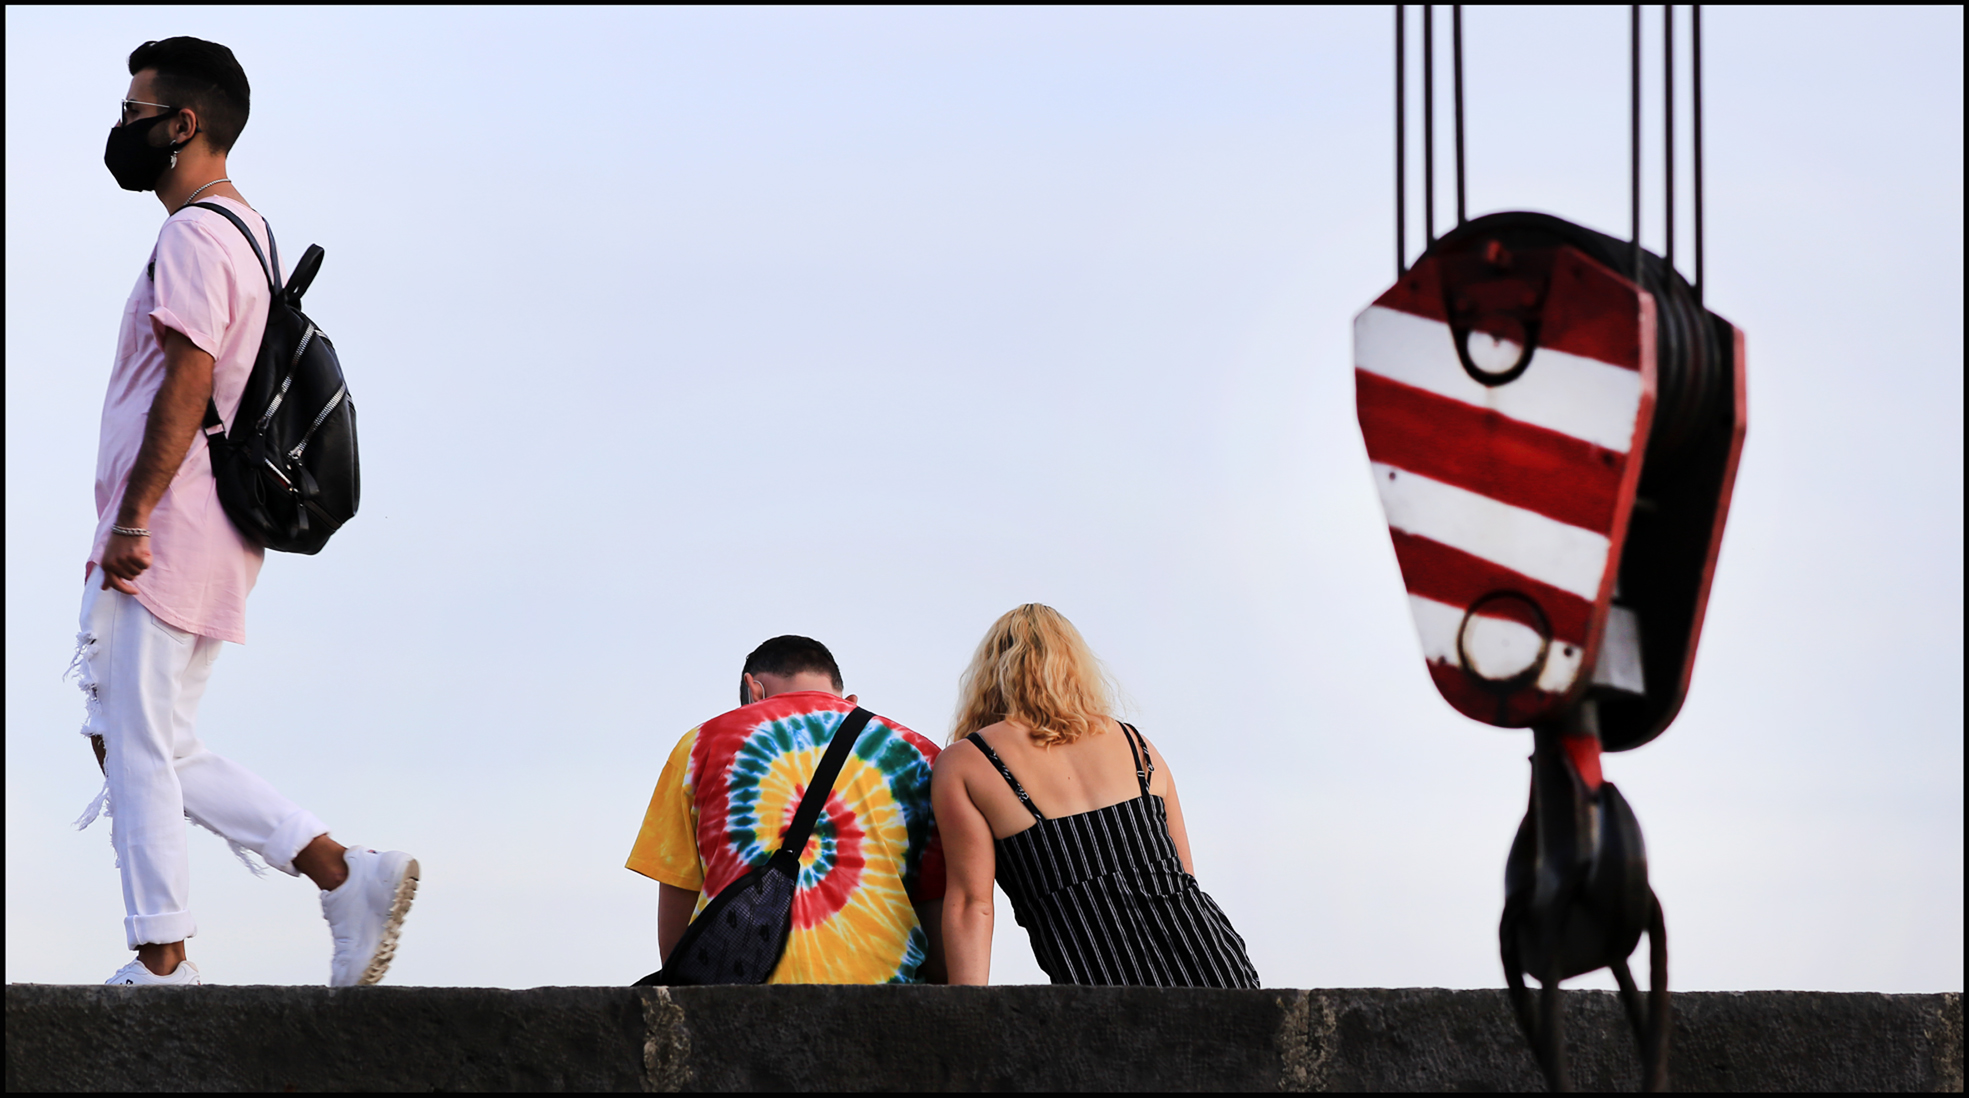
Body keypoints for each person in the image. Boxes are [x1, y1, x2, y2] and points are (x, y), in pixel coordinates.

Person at [75, 37, 417, 988]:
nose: (121, 128)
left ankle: (161, 959)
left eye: (135, 114)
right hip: (211, 527)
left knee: (135, 741)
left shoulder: (192, 235)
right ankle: (340, 872)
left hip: (169, 524)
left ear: (183, 126)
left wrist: (134, 516)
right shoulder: (247, 232)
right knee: (141, 737)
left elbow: (189, 380)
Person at [932, 603, 1259, 987]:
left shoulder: (969, 763)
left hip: (1101, 986)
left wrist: (969, 1020)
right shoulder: (1138, 746)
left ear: (990, 674)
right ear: (1076, 666)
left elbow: (973, 905)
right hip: (1214, 966)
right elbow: (1185, 879)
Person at [627, 635, 947, 983]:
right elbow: (937, 902)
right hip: (887, 993)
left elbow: (679, 914)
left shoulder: (700, 744)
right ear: (848, 700)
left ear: (754, 690)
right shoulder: (918, 754)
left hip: (734, 1001)